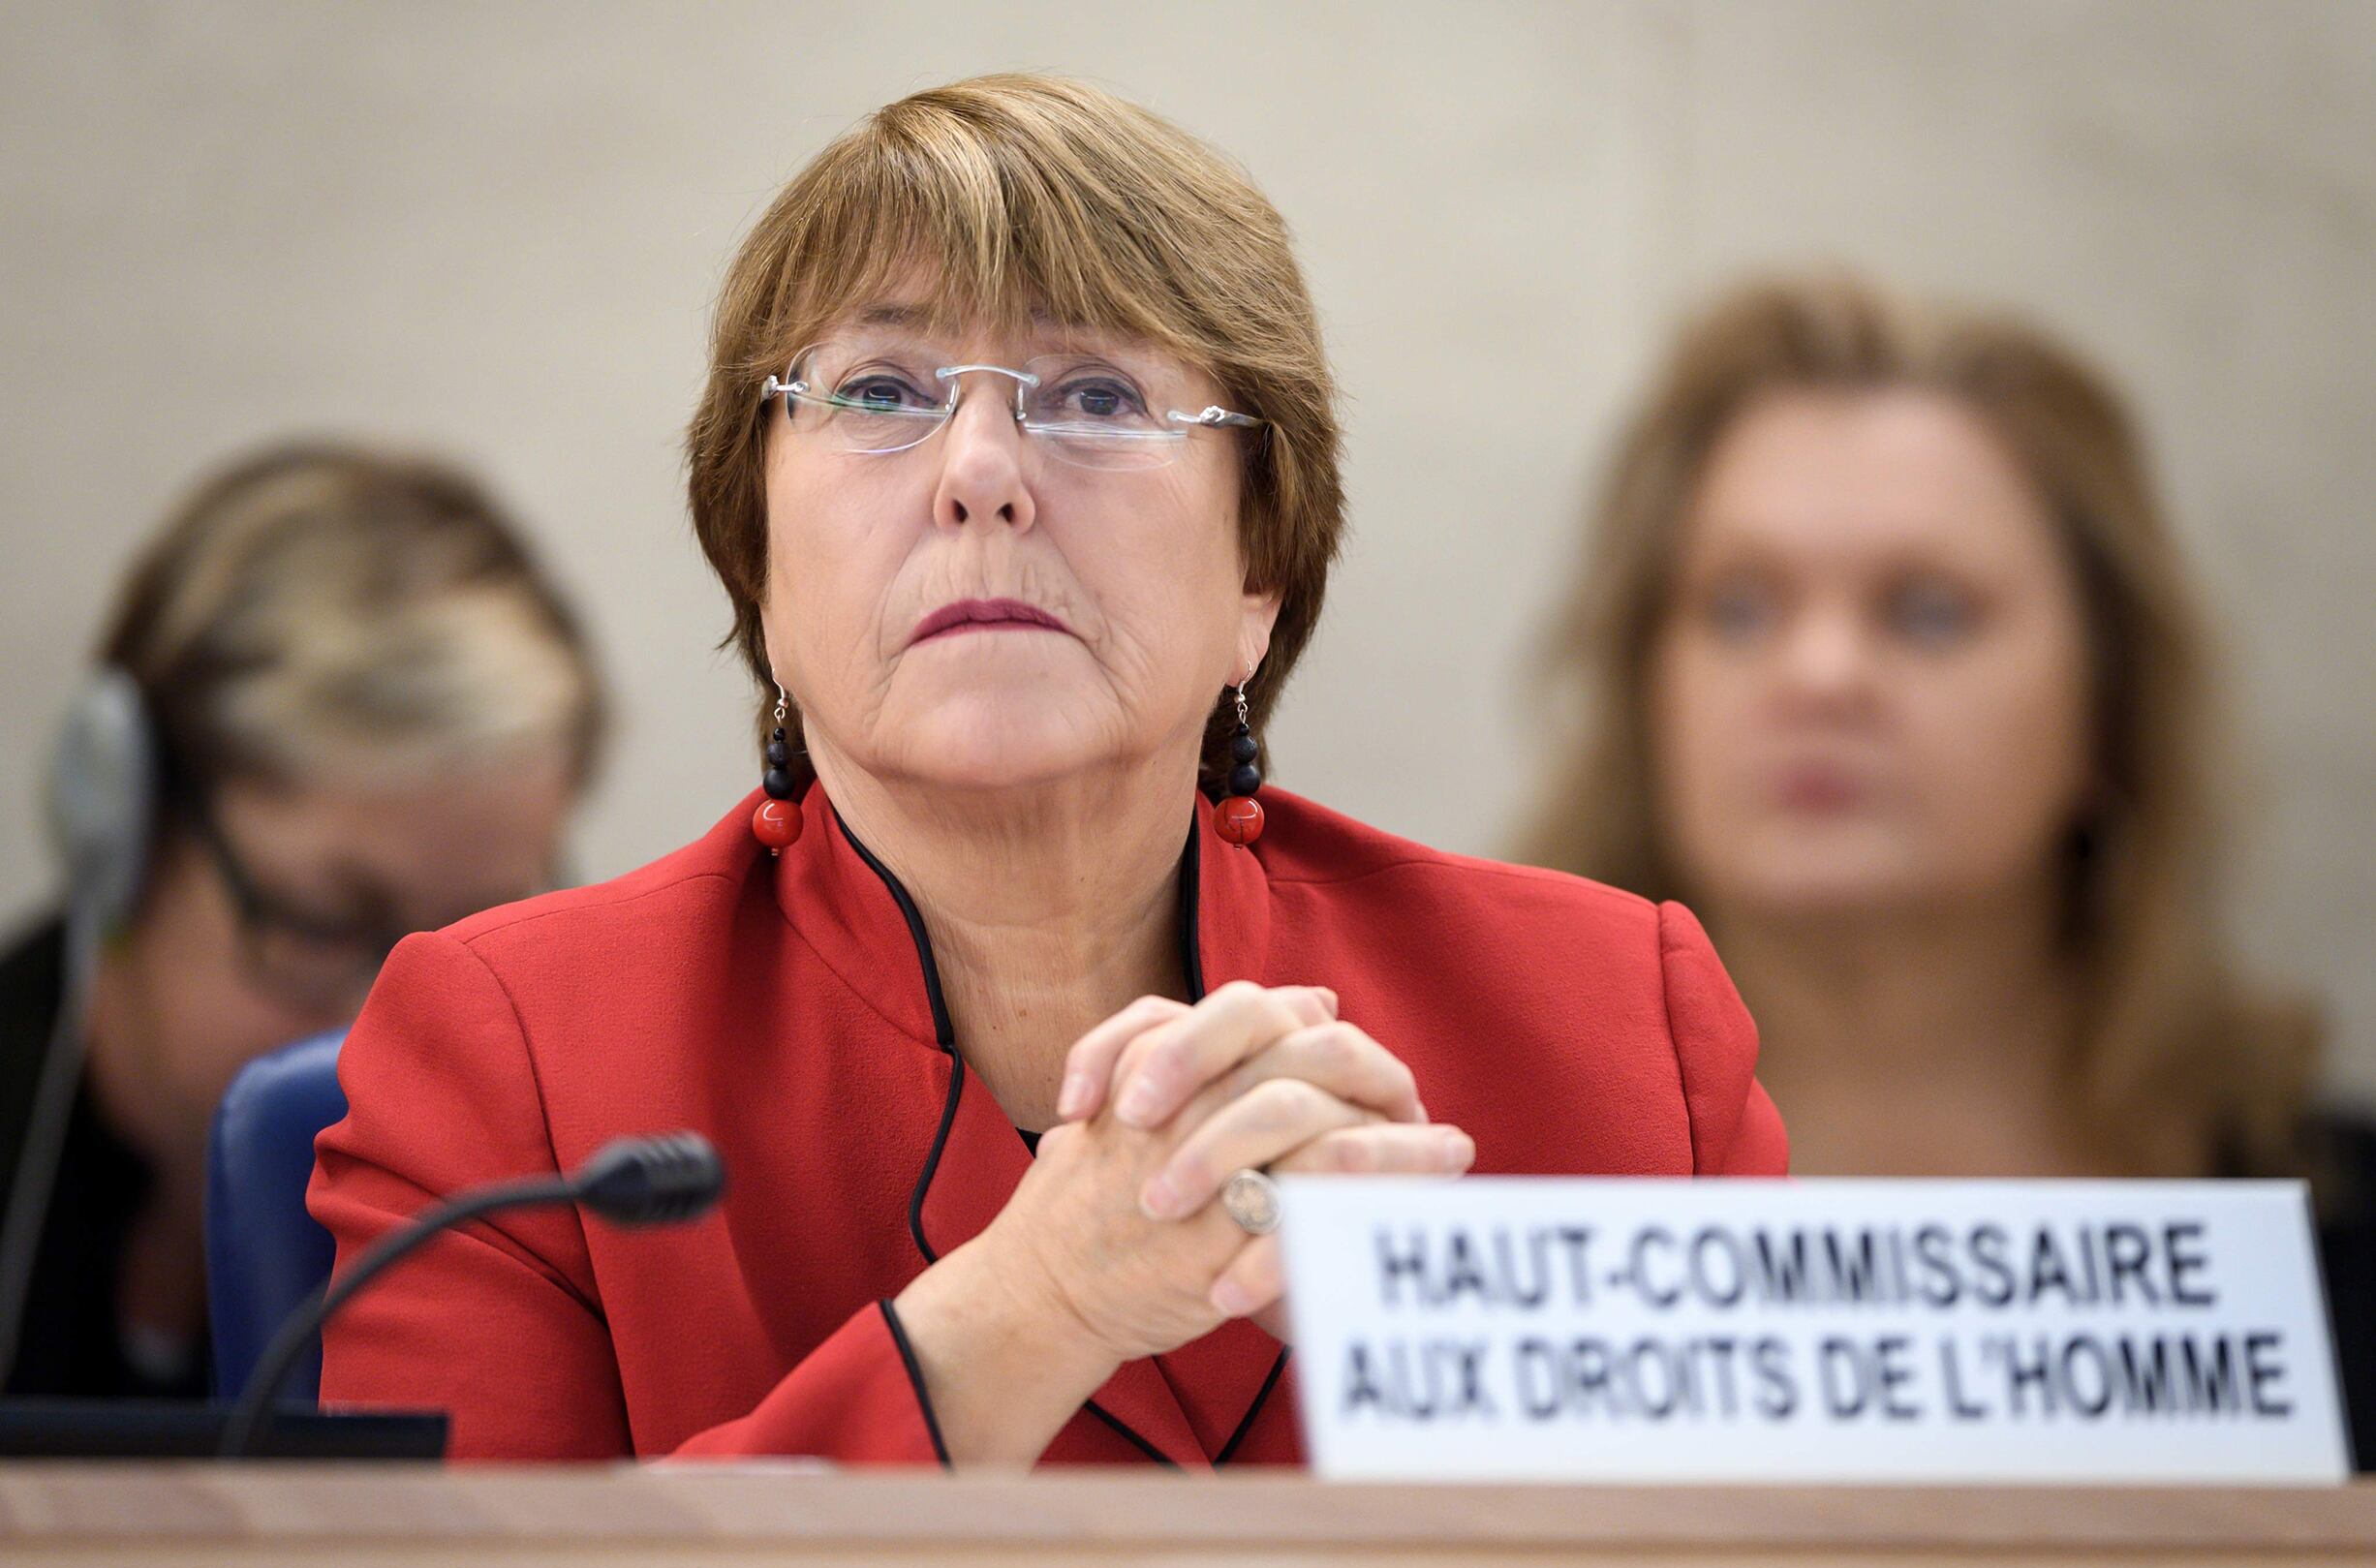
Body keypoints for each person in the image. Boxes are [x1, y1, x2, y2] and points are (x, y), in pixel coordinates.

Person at [307, 75, 1787, 1470]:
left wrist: (1461, 1371)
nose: (979, 471)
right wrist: (1032, 1306)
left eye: (1094, 396)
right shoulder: (513, 1063)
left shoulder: (1615, 1032)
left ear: (1257, 569)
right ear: (757, 565)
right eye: (878, 392)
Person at [1515, 269, 2371, 1455]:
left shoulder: (2333, 1231)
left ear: (2107, 704)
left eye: (1926, 611)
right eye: (1739, 608)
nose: (1818, 676)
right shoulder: (1471, 1184)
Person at [0, 442, 604, 1399]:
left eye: (472, 939)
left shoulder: (541, 1225)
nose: (385, 1028)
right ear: (127, 826)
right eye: (324, 921)